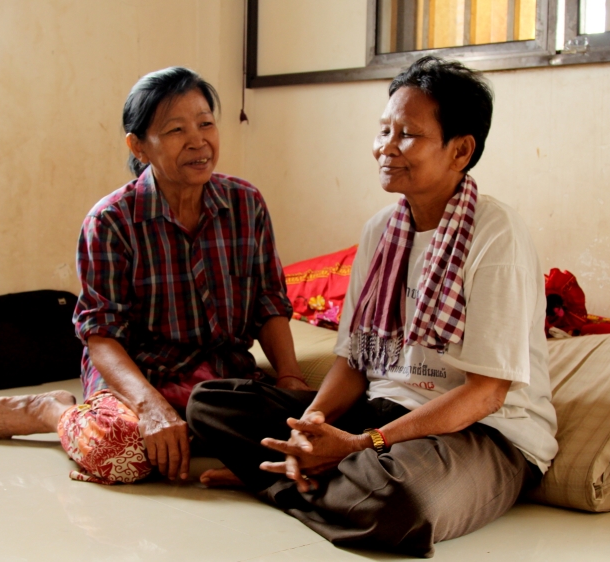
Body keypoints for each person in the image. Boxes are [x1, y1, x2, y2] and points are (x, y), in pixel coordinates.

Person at [186, 56, 559, 558]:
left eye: (408, 134)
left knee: (404, 503)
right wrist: (310, 431)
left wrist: (364, 445)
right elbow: (354, 364)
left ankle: (275, 482)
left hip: (483, 434)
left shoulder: (496, 235)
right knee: (210, 402)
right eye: (384, 129)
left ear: (461, 150)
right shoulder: (381, 230)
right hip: (381, 412)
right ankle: (307, 473)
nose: (386, 147)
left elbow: (487, 393)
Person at [0, 67, 307, 485]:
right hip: (138, 375)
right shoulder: (110, 220)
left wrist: (289, 378)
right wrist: (149, 406)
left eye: (205, 123)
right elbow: (101, 334)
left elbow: (269, 303)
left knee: (316, 431)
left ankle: (188, 428)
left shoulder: (245, 203)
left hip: (220, 377)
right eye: (176, 129)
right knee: (121, 453)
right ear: (138, 146)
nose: (199, 141)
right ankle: (55, 411)